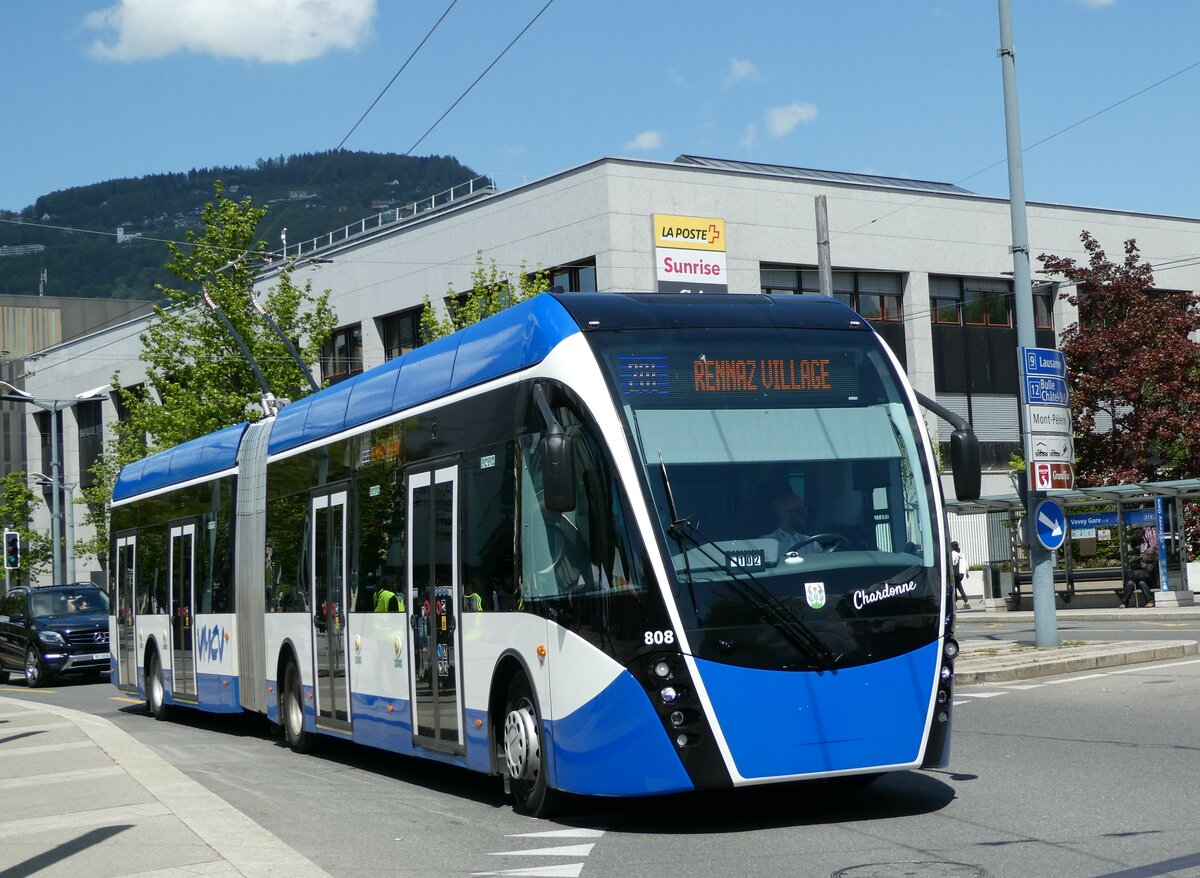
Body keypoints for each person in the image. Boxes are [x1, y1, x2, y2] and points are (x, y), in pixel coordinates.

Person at [950, 541, 970, 609]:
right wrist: (967, 573)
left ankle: (955, 604)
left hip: (956, 573)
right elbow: (966, 563)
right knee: (958, 586)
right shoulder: (961, 553)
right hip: (962, 574)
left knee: (954, 587)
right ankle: (965, 603)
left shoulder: (953, 553)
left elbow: (953, 563)